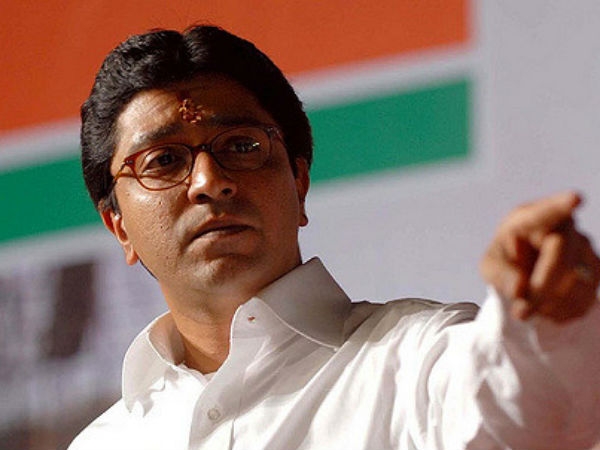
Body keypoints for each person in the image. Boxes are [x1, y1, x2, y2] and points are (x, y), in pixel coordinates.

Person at [69, 25, 600, 450]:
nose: (210, 181)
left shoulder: (414, 360)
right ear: (119, 225)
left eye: (241, 146)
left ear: (299, 183)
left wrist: (544, 326)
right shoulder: (106, 442)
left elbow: (522, 413)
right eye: (163, 160)